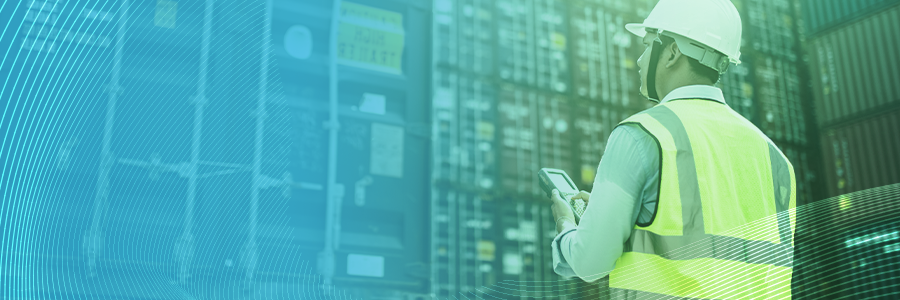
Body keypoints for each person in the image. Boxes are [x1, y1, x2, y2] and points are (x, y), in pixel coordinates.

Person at [548, 0, 797, 299]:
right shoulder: (776, 160)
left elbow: (590, 262)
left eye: (647, 45)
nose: (640, 60)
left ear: (672, 52)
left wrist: (567, 225)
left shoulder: (641, 135)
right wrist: (621, 220)